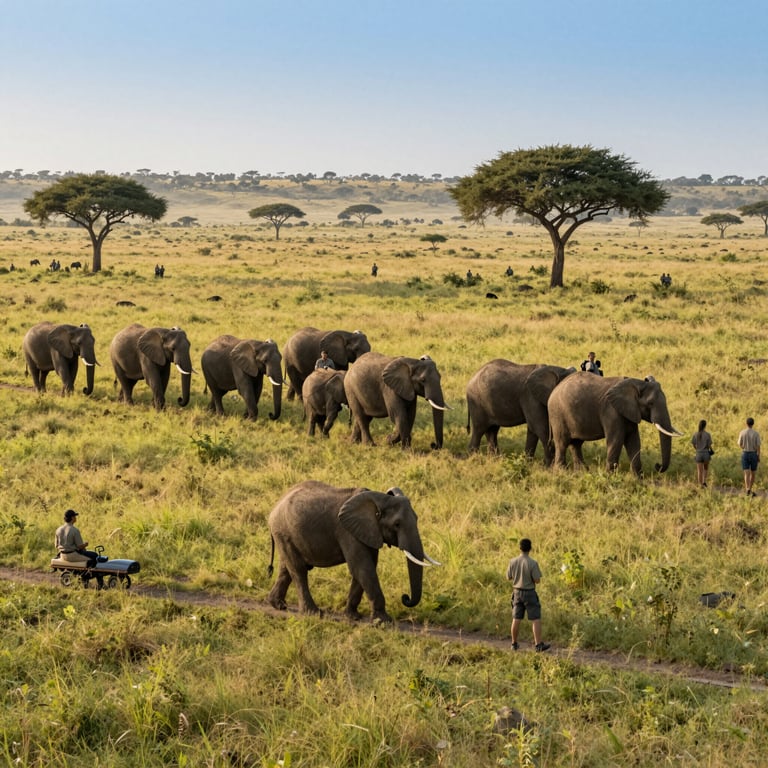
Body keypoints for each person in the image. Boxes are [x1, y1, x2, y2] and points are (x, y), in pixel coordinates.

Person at [506, 538, 550, 652]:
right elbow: (537, 580)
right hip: (529, 592)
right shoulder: (532, 563)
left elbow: (509, 577)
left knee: (516, 618)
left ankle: (514, 644)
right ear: (530, 548)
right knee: (535, 618)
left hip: (516, 592)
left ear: (520, 548)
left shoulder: (512, 561)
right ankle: (538, 644)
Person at [738, 417, 761, 496]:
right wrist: (758, 455)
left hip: (745, 453)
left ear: (746, 423)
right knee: (753, 473)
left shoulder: (742, 432)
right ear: (753, 424)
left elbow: (739, 444)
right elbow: (758, 446)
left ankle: (747, 489)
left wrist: (743, 447)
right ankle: (749, 489)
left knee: (746, 472)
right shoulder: (756, 433)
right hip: (754, 453)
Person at [691, 419, 713, 487]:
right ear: (705, 426)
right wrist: (711, 450)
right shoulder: (707, 434)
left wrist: (697, 449)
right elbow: (709, 445)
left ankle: (700, 484)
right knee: (705, 468)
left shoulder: (695, 434)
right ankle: (704, 482)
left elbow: (693, 444)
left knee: (699, 470)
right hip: (706, 453)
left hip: (698, 453)